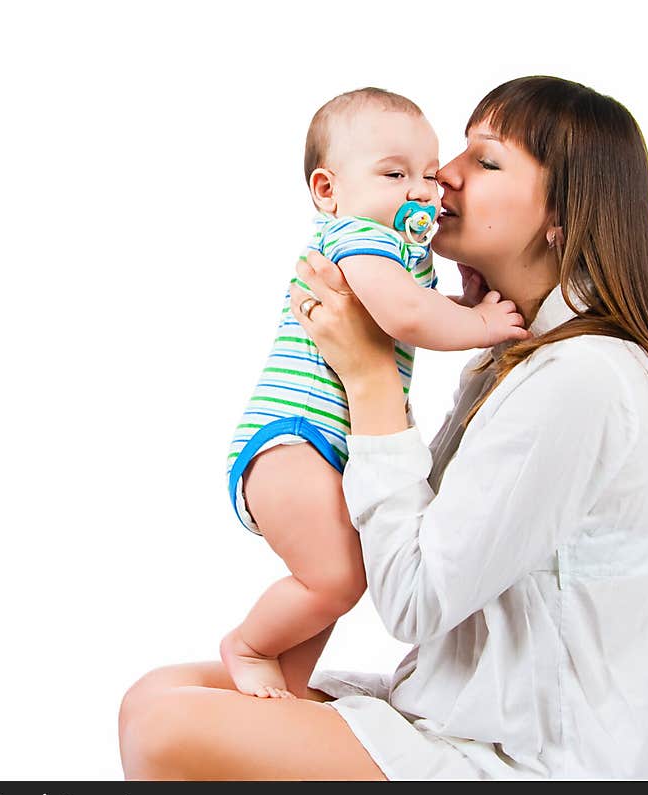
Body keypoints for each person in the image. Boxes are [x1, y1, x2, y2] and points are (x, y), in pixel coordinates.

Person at [118, 75, 648, 780]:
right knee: (154, 696)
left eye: (485, 162)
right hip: (459, 713)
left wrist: (367, 379)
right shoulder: (514, 359)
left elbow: (416, 597)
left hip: (539, 761)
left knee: (166, 725)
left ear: (562, 219)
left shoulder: (582, 379)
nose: (442, 177)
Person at [220, 87, 527, 699]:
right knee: (333, 579)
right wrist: (481, 325)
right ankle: (249, 645)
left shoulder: (394, 251)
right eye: (394, 174)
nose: (421, 190)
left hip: (324, 449)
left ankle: (286, 681)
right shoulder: (359, 236)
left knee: (341, 580)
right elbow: (404, 317)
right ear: (328, 190)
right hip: (295, 441)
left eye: (427, 174)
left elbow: (413, 302)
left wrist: (457, 302)